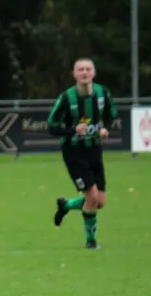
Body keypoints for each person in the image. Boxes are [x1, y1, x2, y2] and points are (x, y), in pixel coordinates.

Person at [48, 58, 117, 249]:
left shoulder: (103, 93)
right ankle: (91, 242)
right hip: (74, 153)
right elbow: (52, 127)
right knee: (92, 198)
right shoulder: (66, 98)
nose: (84, 73)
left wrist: (105, 129)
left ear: (94, 73)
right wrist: (73, 130)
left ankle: (66, 205)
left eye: (88, 69)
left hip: (94, 150)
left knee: (99, 202)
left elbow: (111, 116)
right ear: (74, 74)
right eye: (81, 70)